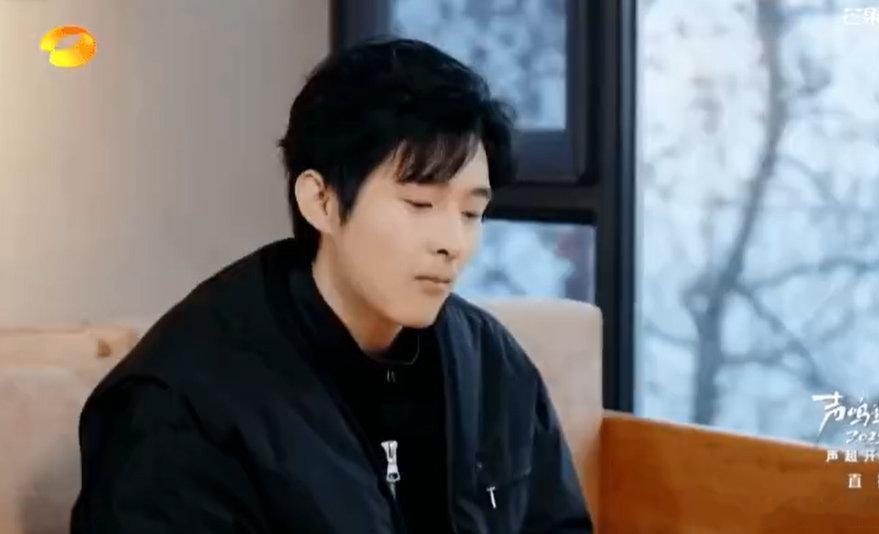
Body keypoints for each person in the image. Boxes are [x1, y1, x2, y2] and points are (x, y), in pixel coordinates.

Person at [70, 37, 592, 533]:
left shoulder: (490, 363)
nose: (453, 243)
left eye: (471, 213)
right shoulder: (181, 403)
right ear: (320, 201)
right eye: (419, 204)